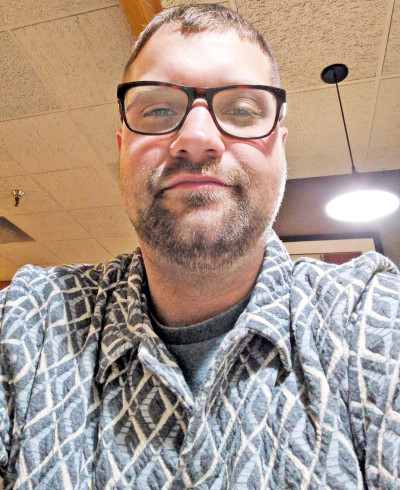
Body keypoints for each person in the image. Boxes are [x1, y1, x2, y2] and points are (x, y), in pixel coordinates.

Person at [0, 4, 399, 489]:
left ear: (281, 148)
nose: (196, 138)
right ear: (122, 148)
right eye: (158, 109)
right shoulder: (33, 320)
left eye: (242, 110)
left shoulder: (368, 320)